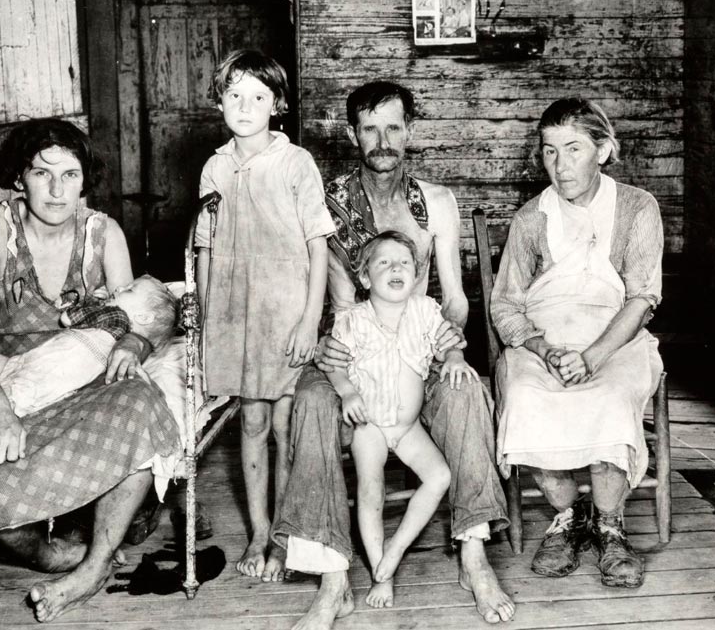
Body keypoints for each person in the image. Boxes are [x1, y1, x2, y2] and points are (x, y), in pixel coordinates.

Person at [272, 81, 515, 628]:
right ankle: (333, 577)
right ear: (353, 134)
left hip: (419, 341)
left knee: (467, 392)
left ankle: (473, 553)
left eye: (393, 127)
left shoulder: (436, 202)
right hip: (347, 346)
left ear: (410, 131)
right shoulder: (326, 201)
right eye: (370, 129)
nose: (382, 140)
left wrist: (450, 353)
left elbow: (452, 298)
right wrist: (333, 356)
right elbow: (314, 292)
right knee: (310, 403)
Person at [0, 118, 180, 623]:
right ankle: (67, 553)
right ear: (19, 177)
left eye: (71, 175)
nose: (57, 190)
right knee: (1, 522)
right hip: (23, 386)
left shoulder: (105, 234)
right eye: (41, 173)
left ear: (85, 180)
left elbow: (136, 316)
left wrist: (134, 343)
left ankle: (91, 569)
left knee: (143, 401)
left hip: (86, 378)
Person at [491, 97, 664, 589]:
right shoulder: (530, 218)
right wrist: (545, 351)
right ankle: (567, 518)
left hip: (616, 338)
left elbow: (643, 298)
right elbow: (505, 305)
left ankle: (609, 525)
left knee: (610, 396)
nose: (560, 165)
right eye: (549, 151)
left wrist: (591, 357)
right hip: (544, 342)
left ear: (603, 150)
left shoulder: (636, 208)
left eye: (573, 149)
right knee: (525, 395)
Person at [195, 50, 335, 583]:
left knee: (283, 423)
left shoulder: (296, 163)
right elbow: (205, 248)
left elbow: (318, 246)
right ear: (219, 103)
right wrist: (210, 319)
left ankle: (284, 534)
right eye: (234, 95)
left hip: (285, 312)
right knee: (250, 421)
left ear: (277, 105)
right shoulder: (214, 166)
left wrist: (308, 321)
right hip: (235, 313)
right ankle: (258, 529)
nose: (245, 105)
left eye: (258, 96)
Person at [0, 275, 177, 519]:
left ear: (143, 318)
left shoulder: (115, 318)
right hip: (32, 364)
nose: (120, 286)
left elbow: (67, 318)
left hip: (37, 382)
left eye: (129, 289)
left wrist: (95, 300)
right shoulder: (117, 332)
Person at [328, 231, 478, 608]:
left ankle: (395, 547)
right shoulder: (352, 320)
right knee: (370, 489)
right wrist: (347, 391)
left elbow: (449, 342)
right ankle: (382, 574)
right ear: (364, 278)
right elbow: (334, 365)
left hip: (408, 427)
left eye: (405, 263)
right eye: (384, 263)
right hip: (371, 427)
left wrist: (455, 359)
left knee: (440, 476)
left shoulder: (426, 310)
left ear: (415, 274)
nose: (396, 268)